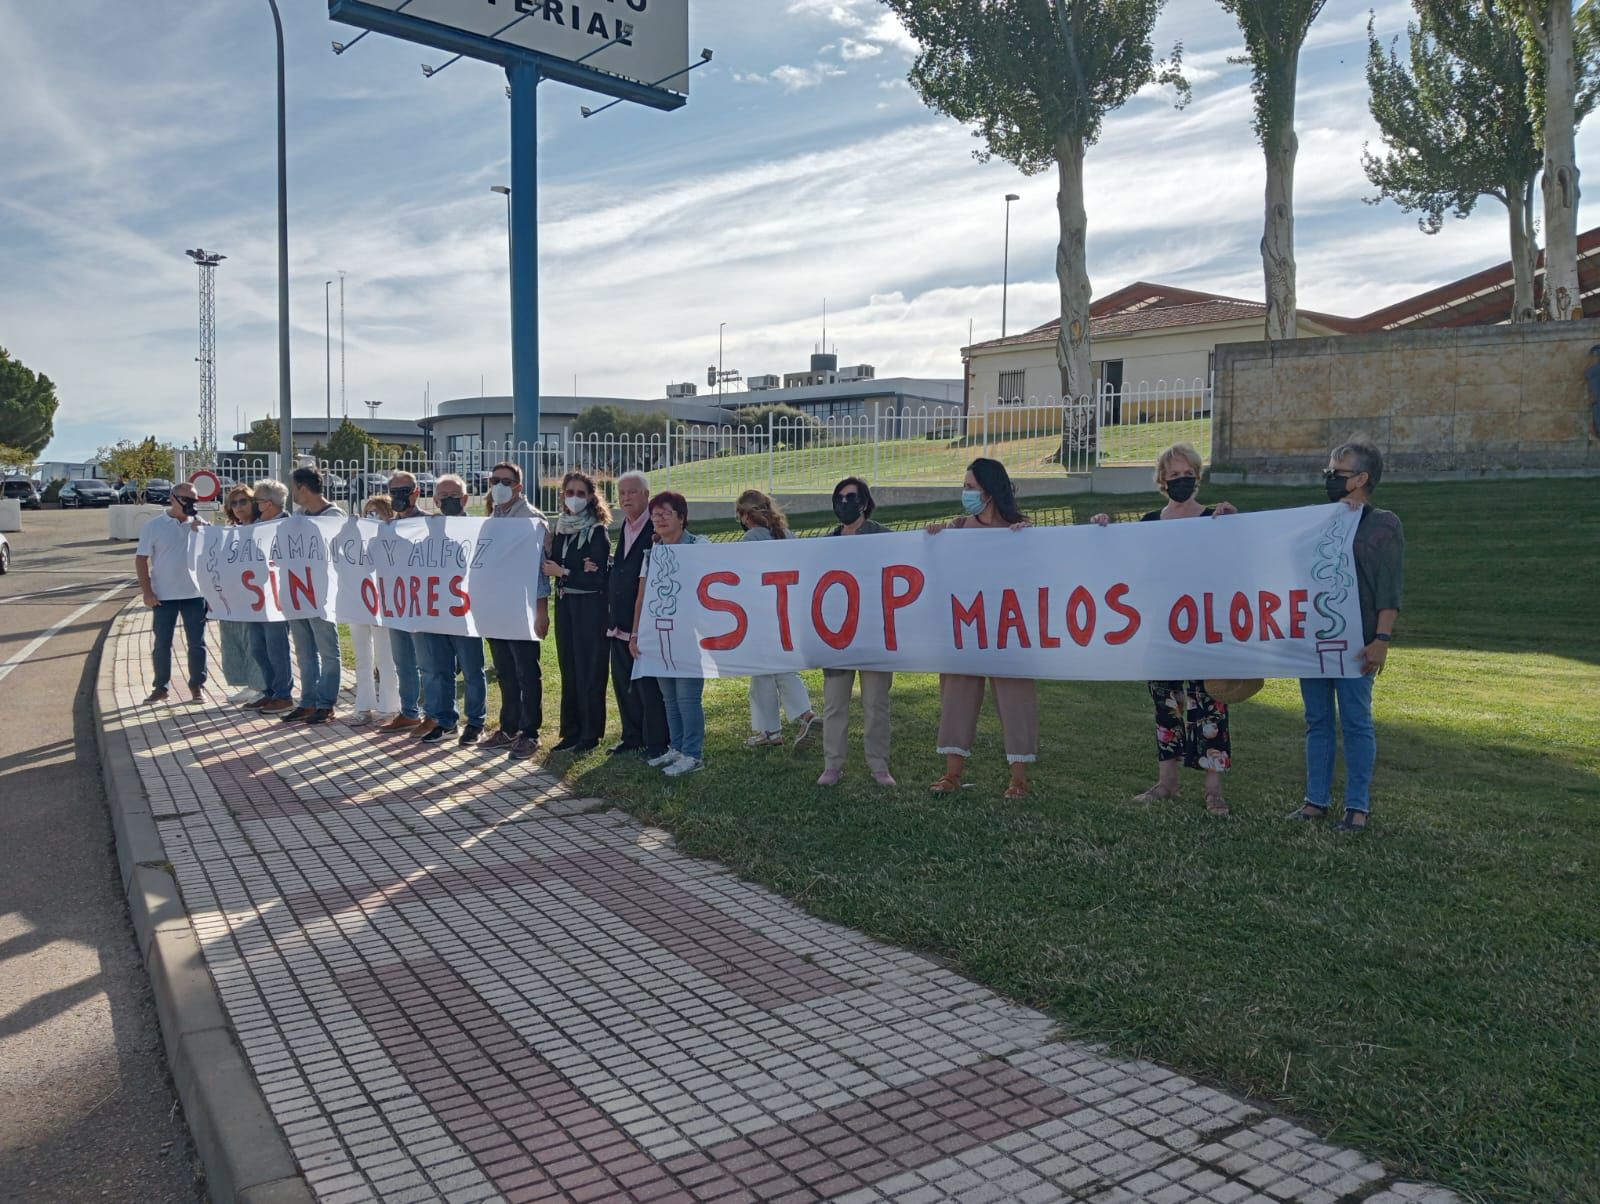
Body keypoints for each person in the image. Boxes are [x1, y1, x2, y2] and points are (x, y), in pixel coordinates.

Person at [1091, 443, 1239, 816]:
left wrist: (1237, 526)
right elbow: (1128, 566)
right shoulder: (1149, 524)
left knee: (1210, 707)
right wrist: (1104, 532)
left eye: (1186, 473)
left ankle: (1214, 791)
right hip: (1162, 630)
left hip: (1205, 628)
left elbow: (1237, 561)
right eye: (1173, 475)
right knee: (1167, 707)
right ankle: (1167, 783)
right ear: (1162, 480)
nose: (1180, 481)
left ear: (1198, 477)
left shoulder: (1215, 520)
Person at [1288, 438, 1404, 834]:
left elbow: (1389, 588)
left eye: (1337, 473)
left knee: (1356, 721)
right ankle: (1314, 800)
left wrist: (1382, 639)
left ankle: (1358, 806)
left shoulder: (1382, 524)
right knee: (1317, 720)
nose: (1329, 479)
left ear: (1361, 478)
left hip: (1358, 640)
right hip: (1316, 638)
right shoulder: (1317, 519)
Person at [926, 458, 1038, 799]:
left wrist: (1023, 540)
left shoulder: (1019, 529)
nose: (965, 493)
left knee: (1016, 701)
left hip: (1007, 629)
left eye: (970, 487)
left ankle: (1019, 780)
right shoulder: (958, 528)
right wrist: (934, 540)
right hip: (965, 628)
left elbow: (1035, 571)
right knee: (957, 697)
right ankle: (952, 774)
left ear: (988, 491)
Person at [818, 477, 895, 788]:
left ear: (864, 502)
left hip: (874, 632)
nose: (844, 503)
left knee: (876, 702)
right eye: (839, 497)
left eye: (851, 497)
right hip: (836, 634)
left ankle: (879, 766)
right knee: (834, 703)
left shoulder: (882, 537)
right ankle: (832, 765)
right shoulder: (828, 540)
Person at [629, 491, 707, 777]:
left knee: (688, 697)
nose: (659, 519)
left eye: (666, 513)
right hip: (660, 634)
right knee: (669, 697)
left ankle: (693, 754)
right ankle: (676, 747)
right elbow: (642, 595)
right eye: (655, 514)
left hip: (689, 635)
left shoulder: (700, 546)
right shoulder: (652, 553)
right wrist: (636, 633)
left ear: (682, 518)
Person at [734, 489, 818, 748]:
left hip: (761, 612)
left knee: (772, 670)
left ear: (746, 515)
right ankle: (770, 731)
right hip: (786, 611)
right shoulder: (787, 535)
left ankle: (803, 716)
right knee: (767, 672)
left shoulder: (752, 538)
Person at [479, 462, 550, 761]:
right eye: (494, 480)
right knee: (505, 671)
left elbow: (539, 573)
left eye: (505, 481)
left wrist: (542, 611)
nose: (499, 486)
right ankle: (508, 727)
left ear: (519, 486)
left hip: (523, 608)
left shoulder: (531, 520)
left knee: (526, 672)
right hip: (497, 608)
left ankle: (530, 732)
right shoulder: (491, 519)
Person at [543, 471, 611, 754]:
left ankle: (590, 733)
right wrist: (571, 569)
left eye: (581, 493)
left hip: (590, 609)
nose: (574, 498)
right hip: (566, 606)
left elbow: (597, 577)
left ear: (591, 497)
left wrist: (566, 572)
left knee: (590, 669)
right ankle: (570, 731)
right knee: (569, 668)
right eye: (569, 492)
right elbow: (554, 563)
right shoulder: (561, 529)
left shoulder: (597, 531)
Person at [417, 474, 488, 745]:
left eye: (454, 496)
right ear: (434, 500)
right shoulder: (425, 529)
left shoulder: (479, 528)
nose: (448, 501)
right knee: (439, 669)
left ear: (466, 499)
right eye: (443, 496)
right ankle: (446, 721)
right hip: (435, 611)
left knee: (472, 669)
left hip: (466, 611)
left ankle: (475, 722)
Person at [606, 471, 669, 761]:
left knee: (648, 686)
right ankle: (632, 737)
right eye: (621, 493)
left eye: (632, 492)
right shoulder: (626, 527)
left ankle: (656, 740)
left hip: (645, 622)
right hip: (619, 621)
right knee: (623, 683)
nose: (626, 497)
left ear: (646, 495)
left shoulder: (655, 530)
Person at [135, 479, 208, 704]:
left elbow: (212, 555)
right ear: (172, 499)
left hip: (194, 595)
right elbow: (141, 559)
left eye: (194, 500)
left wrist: (203, 532)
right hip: (163, 596)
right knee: (162, 643)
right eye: (186, 499)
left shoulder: (200, 524)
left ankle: (197, 685)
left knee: (197, 643)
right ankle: (161, 687)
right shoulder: (154, 526)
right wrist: (147, 592)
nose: (190, 504)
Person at [280, 466, 344, 724]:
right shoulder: (298, 516)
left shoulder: (334, 516)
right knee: (305, 651)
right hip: (299, 594)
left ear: (303, 488)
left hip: (323, 597)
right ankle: (308, 702)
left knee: (328, 651)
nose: (292, 493)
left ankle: (325, 703)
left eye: (293, 488)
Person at [376, 471, 431, 733]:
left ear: (416, 493)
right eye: (394, 491)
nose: (399, 496)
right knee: (403, 660)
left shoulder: (433, 524)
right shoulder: (386, 528)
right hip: (397, 605)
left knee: (427, 662)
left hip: (423, 605)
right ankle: (409, 712)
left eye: (404, 491)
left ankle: (433, 713)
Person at [345, 495, 401, 725]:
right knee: (362, 658)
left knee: (385, 659)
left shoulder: (395, 538)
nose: (372, 517)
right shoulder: (358, 538)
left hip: (383, 606)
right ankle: (363, 706)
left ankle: (389, 707)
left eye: (377, 512)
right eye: (368, 513)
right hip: (359, 604)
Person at [245, 479, 295, 714]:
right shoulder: (255, 526)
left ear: (269, 503)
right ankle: (270, 691)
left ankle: (283, 695)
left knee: (276, 647)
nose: (254, 505)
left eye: (257, 501)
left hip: (277, 599)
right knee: (258, 646)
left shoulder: (288, 526)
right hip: (256, 597)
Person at [217, 484, 266, 705]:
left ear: (253, 503)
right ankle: (249, 683)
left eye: (243, 502)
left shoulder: (263, 528)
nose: (238, 507)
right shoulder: (230, 531)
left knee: (256, 640)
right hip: (235, 595)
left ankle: (261, 685)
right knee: (236, 638)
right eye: (233, 503)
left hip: (259, 595)